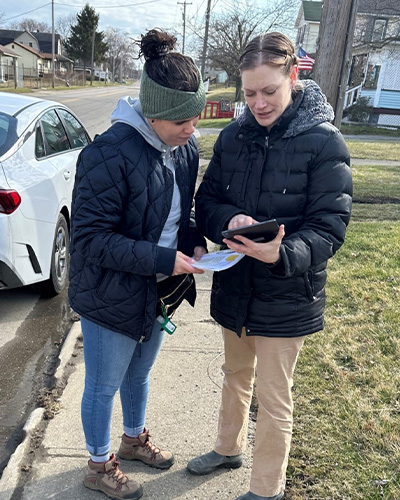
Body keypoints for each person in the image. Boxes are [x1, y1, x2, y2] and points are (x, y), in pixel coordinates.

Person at [187, 32, 352, 500]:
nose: (258, 103)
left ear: (293, 76)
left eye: (269, 92)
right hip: (238, 283)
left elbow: (330, 226)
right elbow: (208, 199)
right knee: (235, 374)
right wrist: (229, 221)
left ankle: (266, 490)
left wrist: (282, 253)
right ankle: (226, 448)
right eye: (250, 93)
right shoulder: (235, 135)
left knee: (274, 397)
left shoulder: (323, 142)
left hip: (287, 291)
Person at [68, 28, 206, 500]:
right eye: (183, 120)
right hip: (110, 290)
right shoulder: (107, 155)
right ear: (153, 113)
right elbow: (91, 240)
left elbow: (179, 210)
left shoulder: (184, 149)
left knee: (139, 374)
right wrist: (165, 257)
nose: (193, 128)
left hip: (159, 287)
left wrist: (195, 243)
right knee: (103, 384)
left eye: (197, 117)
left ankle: (132, 440)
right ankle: (98, 463)